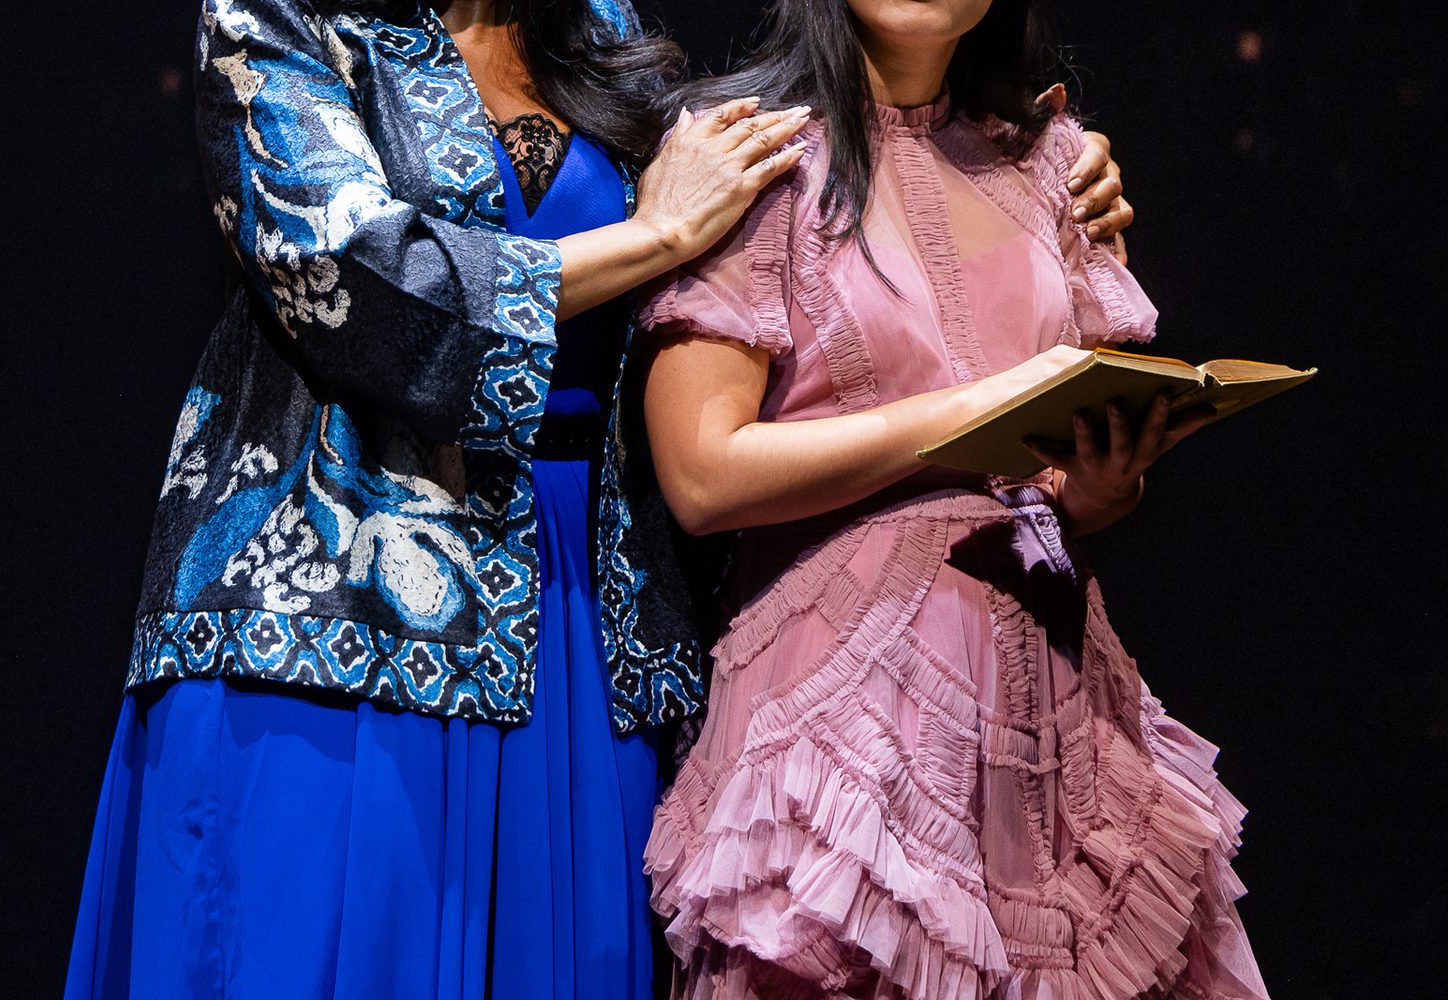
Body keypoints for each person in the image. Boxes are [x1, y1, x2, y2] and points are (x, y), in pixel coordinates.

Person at [64, 1, 1137, 997]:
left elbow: (779, 197)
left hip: (589, 623)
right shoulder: (284, 14)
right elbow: (352, 277)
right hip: (331, 615)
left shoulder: (600, 28)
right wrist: (654, 237)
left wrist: (1032, 165)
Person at [639, 1, 1268, 998]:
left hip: (1053, 696)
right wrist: (968, 410)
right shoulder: (753, 150)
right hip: (843, 704)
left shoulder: (1049, 159)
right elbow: (703, 475)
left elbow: (1067, 484)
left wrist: (1101, 482)